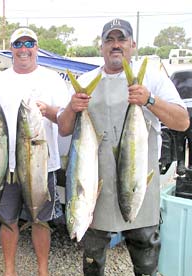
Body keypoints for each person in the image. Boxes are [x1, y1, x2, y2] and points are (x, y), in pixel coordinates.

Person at [58, 18, 189, 276]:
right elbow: (63, 128)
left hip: (138, 181)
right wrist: (73, 108)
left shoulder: (153, 77)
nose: (115, 45)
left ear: (132, 44)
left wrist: (150, 100)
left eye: (121, 40)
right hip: (96, 187)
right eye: (110, 40)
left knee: (145, 256)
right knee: (93, 258)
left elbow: (182, 122)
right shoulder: (86, 81)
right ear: (101, 46)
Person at [0, 27, 69, 276]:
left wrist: (49, 110)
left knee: (41, 221)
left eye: (29, 43)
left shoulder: (52, 79)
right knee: (8, 220)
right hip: (4, 166)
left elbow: (65, 121)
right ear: (12, 50)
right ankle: (10, 271)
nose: (24, 49)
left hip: (41, 165)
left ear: (37, 48)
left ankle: (43, 271)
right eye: (18, 44)